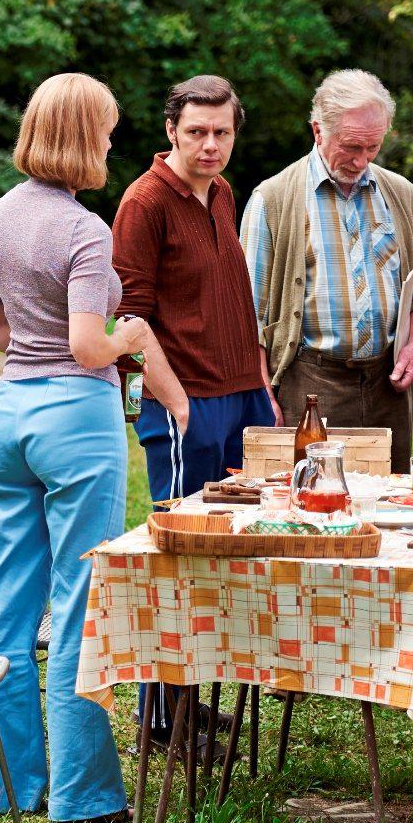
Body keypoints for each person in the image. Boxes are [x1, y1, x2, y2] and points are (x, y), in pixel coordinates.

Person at [0, 72, 180, 823]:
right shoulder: (86, 232)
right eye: (109, 129)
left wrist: (49, 340)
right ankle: (83, 796)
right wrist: (130, 336)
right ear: (86, 137)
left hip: (12, 414)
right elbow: (91, 346)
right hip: (77, 426)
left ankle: (4, 786)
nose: (114, 140)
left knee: (5, 599)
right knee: (78, 603)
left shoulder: (3, 215)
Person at [111, 75, 277, 749]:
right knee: (180, 558)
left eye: (223, 133)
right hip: (184, 403)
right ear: (171, 131)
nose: (211, 145)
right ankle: (161, 718)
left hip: (239, 395)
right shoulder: (144, 203)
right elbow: (129, 317)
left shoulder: (223, 192)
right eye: (198, 132)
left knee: (227, 558)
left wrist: (259, 384)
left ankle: (192, 699)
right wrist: (175, 401)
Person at [240, 70, 413, 472]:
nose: (362, 160)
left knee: (391, 507)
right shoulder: (273, 199)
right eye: (351, 146)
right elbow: (248, 313)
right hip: (312, 385)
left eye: (373, 147)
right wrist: (261, 387)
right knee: (314, 508)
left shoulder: (402, 195)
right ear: (318, 131)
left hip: (388, 385)